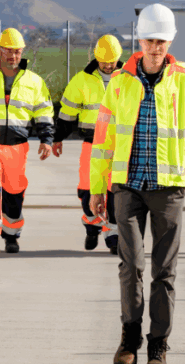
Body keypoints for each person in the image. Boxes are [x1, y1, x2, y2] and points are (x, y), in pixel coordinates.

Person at [90, 3, 185, 364]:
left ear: (169, 41)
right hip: (127, 186)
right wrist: (98, 187)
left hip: (168, 188)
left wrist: (183, 159)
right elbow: (104, 139)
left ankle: (158, 344)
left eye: (161, 41)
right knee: (130, 265)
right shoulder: (121, 83)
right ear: (138, 40)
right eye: (149, 40)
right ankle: (129, 340)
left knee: (164, 270)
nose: (155, 47)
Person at [0, 27, 55, 259]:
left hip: (18, 147)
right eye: (8, 51)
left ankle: (11, 235)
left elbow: (44, 112)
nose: (13, 56)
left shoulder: (34, 81)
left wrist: (46, 139)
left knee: (14, 192)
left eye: (17, 52)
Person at [53, 34, 124, 254]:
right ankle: (92, 227)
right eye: (104, 61)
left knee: (116, 192)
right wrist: (57, 138)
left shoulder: (128, 77)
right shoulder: (82, 80)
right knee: (87, 189)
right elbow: (67, 114)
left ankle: (113, 237)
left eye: (112, 61)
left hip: (119, 145)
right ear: (97, 58)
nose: (108, 65)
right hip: (91, 144)